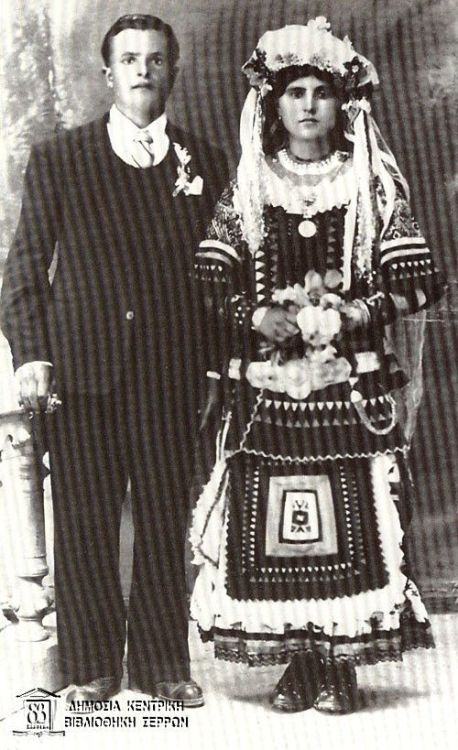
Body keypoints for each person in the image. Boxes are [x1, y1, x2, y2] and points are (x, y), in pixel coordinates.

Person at [190, 18, 445, 714]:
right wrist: (255, 316)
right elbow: (210, 279)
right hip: (269, 393)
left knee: (350, 510)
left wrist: (358, 312)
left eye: (321, 92)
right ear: (272, 104)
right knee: (273, 517)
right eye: (294, 91)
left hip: (350, 386)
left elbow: (424, 280)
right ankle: (297, 663)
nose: (307, 104)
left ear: (344, 103)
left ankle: (340, 664)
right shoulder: (249, 188)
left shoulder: (370, 184)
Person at [0, 13, 228, 706]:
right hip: (82, 371)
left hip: (171, 371)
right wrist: (33, 356)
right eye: (129, 58)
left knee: (164, 518)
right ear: (107, 74)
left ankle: (162, 663)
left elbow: (223, 281)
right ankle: (92, 664)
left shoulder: (206, 162)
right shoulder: (61, 157)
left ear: (173, 71)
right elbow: (23, 272)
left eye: (157, 59)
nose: (143, 70)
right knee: (86, 517)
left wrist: (216, 365)